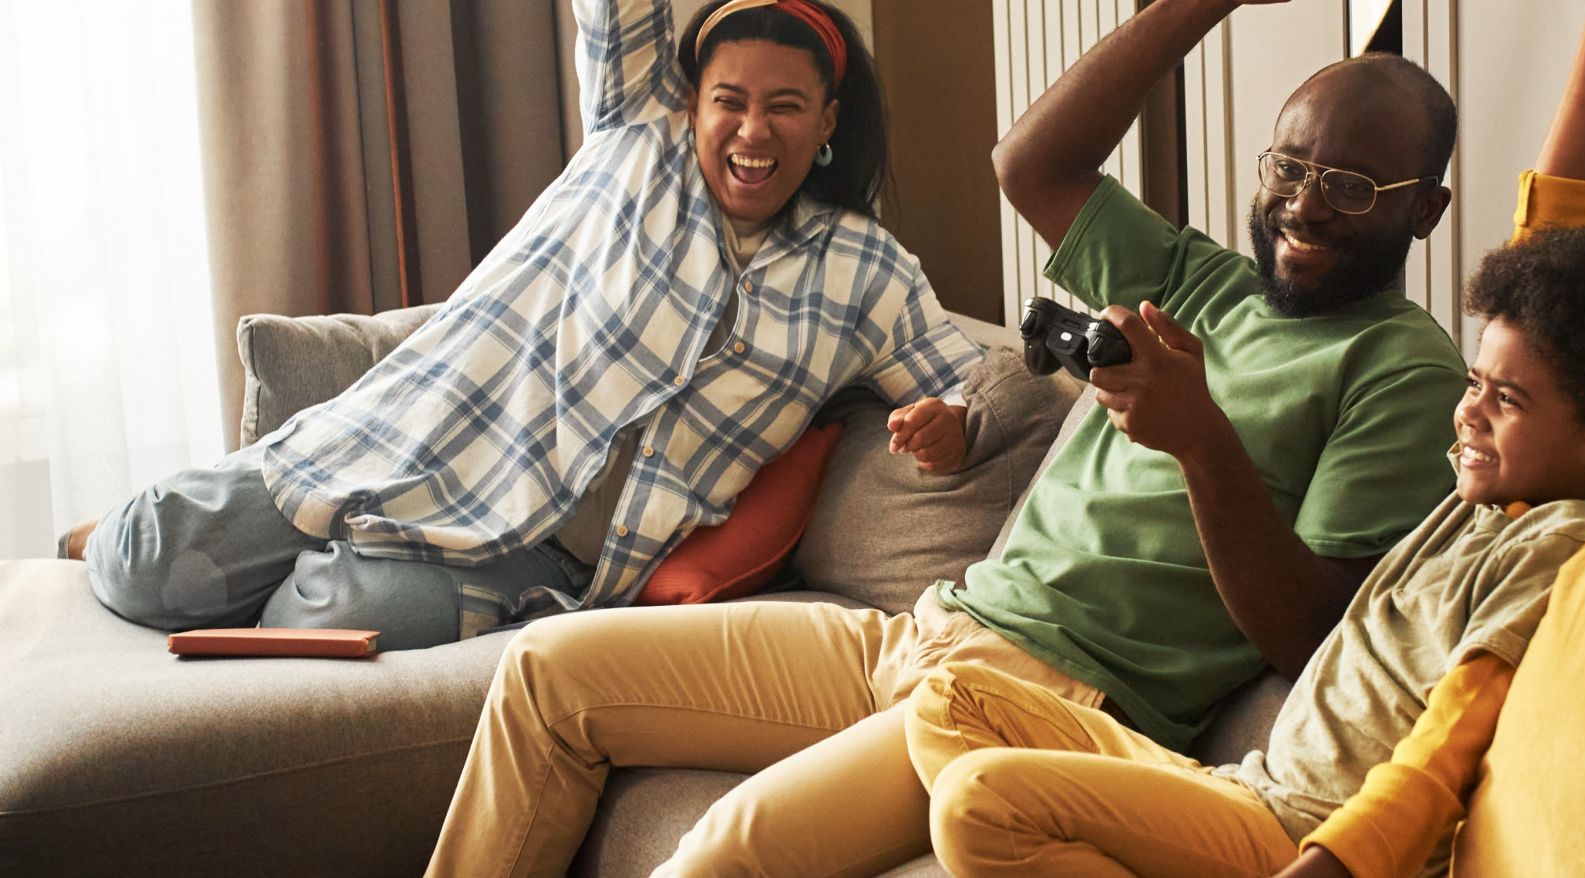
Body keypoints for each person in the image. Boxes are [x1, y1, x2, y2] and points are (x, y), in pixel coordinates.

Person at [424, 0, 1479, 873]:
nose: (1305, 206)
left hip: (1048, 697)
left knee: (720, 855)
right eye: (1288, 169)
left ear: (1425, 211)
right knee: (547, 672)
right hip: (930, 627)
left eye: (1352, 187)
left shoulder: (1404, 370)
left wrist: (1201, 440)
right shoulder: (1206, 279)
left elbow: (1306, 631)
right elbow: (1031, 162)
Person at [897, 1, 1585, 876]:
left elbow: (1440, 752)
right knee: (949, 705)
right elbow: (1555, 248)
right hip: (1240, 783)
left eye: (1504, 399)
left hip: (1305, 828)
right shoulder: (1470, 489)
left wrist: (1332, 862)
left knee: (976, 799)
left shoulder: (1546, 542)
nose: (1467, 406)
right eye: (1477, 383)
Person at [61, 0, 983, 651]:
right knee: (149, 563)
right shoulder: (635, 139)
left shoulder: (869, 271)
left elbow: (969, 386)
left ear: (826, 120)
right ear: (692, 105)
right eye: (729, 101)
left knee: (326, 614)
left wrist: (948, 425)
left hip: (539, 553)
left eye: (784, 107)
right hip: (406, 445)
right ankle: (164, 535)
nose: (753, 131)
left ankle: (322, 573)